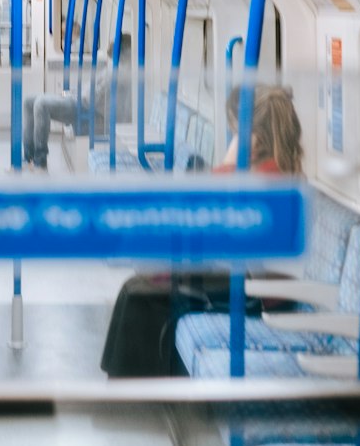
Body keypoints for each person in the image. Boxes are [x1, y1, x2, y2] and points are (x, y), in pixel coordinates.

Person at [99, 83, 305, 377]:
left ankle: (135, 388)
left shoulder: (266, 176)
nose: (234, 138)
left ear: (255, 137)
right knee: (138, 286)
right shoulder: (271, 169)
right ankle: (129, 382)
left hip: (255, 291)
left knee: (144, 295)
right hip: (244, 274)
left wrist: (229, 162)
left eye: (237, 132)